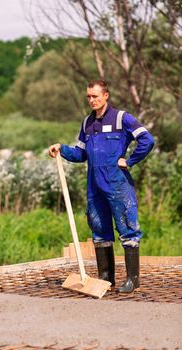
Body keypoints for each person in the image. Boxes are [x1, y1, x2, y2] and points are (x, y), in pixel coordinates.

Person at [49, 80, 154, 293]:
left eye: (95, 96)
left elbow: (147, 140)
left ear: (106, 95)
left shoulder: (122, 118)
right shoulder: (87, 123)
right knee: (99, 231)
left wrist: (130, 161)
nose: (91, 100)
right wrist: (62, 149)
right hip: (94, 186)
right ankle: (106, 278)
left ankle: (132, 280)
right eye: (88, 96)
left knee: (128, 230)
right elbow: (81, 153)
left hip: (117, 184)